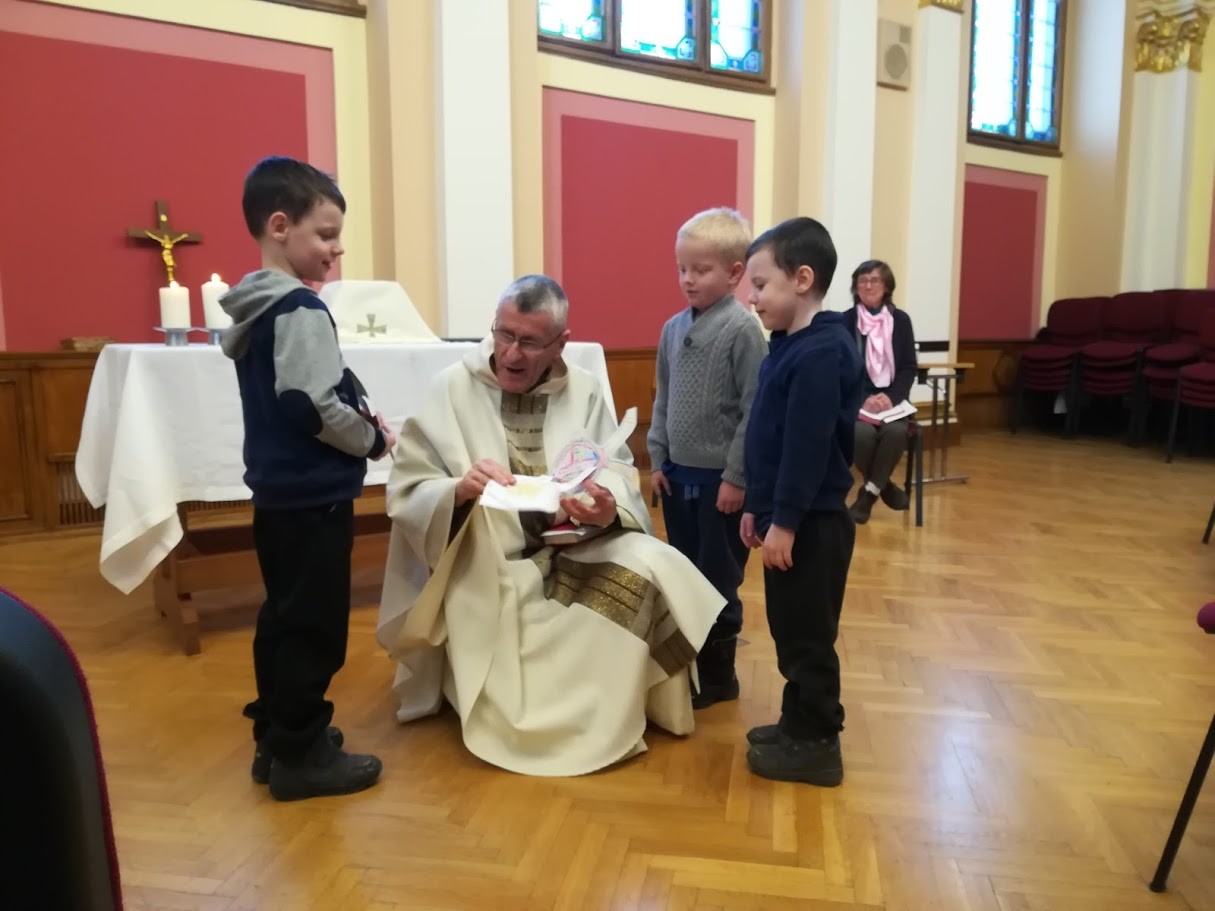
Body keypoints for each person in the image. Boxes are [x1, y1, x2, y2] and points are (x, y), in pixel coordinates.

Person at [376, 275, 725, 777]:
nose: (510, 353)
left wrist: (607, 508)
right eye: (504, 334)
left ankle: (625, 708)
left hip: (574, 542)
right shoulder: (451, 389)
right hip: (490, 557)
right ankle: (552, 723)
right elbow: (409, 489)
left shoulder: (583, 391)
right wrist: (458, 490)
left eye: (529, 341)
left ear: (560, 343)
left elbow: (616, 468)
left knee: (656, 563)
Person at [220, 156, 394, 802]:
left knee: (283, 616)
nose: (336, 247)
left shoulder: (258, 307)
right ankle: (302, 755)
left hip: (278, 493)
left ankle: (278, 735)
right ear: (279, 227)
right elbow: (308, 404)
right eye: (325, 234)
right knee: (315, 627)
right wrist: (371, 438)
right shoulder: (298, 307)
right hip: (313, 493)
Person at [738, 216, 863, 786]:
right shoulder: (790, 346)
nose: (752, 296)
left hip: (812, 523)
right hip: (788, 517)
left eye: (761, 284)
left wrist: (784, 521)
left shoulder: (823, 351)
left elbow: (807, 448)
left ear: (803, 279)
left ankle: (816, 744)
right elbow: (769, 440)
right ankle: (796, 723)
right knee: (790, 628)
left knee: (809, 636)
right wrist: (756, 508)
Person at [647, 208, 767, 709]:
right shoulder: (672, 329)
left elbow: (754, 411)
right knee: (685, 575)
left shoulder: (743, 330)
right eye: (682, 268)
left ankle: (720, 677)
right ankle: (691, 666)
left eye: (701, 269)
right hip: (679, 479)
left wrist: (737, 476)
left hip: (722, 484)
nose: (688, 279)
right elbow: (662, 396)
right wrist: (657, 459)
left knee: (718, 578)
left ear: (735, 273)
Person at [841, 260, 918, 524]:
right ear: (855, 288)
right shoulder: (846, 321)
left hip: (893, 402)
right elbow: (842, 368)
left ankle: (868, 494)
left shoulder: (901, 321)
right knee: (859, 435)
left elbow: (908, 367)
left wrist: (890, 397)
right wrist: (864, 398)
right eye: (862, 281)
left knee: (895, 433)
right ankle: (883, 486)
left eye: (874, 280)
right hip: (858, 400)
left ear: (886, 286)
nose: (868, 285)